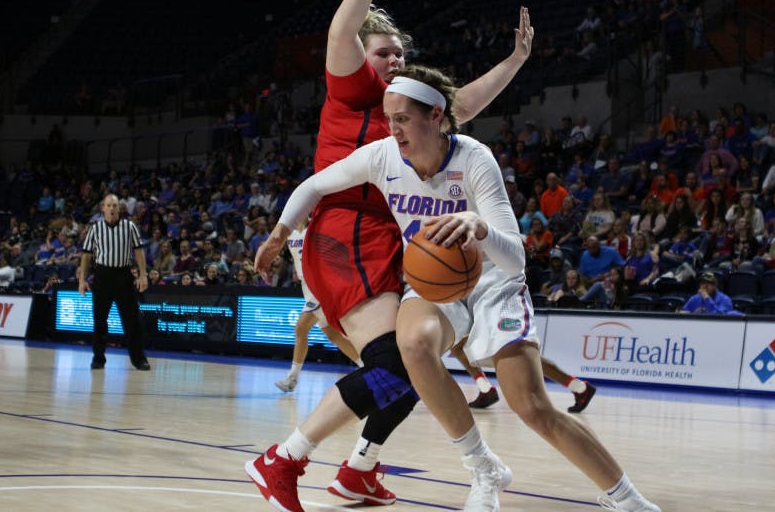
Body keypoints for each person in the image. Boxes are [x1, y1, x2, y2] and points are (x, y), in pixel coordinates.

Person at [256, 66, 659, 512]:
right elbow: (314, 184)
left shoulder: (474, 159)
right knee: (412, 346)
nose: (393, 129)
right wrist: (279, 234)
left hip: (493, 281)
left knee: (531, 406)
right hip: (434, 282)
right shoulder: (382, 156)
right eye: (389, 119)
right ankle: (483, 467)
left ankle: (627, 499)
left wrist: (478, 225)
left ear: (436, 116)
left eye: (403, 119)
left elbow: (516, 258)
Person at [246, 0, 538, 512]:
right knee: (395, 364)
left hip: (391, 240)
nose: (396, 61)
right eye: (385, 53)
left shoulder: (407, 113)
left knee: (413, 366)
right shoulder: (353, 89)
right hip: (345, 232)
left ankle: (359, 469)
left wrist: (514, 62)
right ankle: (283, 459)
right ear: (363, 57)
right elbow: (340, 32)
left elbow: (460, 105)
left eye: (402, 54)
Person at [275, 228, 360, 393]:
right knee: (333, 334)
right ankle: (368, 365)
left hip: (321, 284)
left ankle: (292, 378)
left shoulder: (315, 228)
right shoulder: (290, 231)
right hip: (306, 285)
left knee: (301, 328)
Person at [77, 194, 151, 371]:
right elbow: (86, 255)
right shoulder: (95, 229)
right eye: (108, 205)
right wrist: (82, 280)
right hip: (102, 275)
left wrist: (143, 275)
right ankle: (98, 358)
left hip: (123, 275)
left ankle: (138, 359)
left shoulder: (130, 226)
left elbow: (139, 252)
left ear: (119, 208)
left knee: (132, 320)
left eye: (114, 205)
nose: (111, 208)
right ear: (103, 208)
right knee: (99, 320)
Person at [449, 337, 597, 413]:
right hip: (494, 308)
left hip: (505, 309)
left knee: (521, 356)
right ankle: (485, 389)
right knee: (458, 345)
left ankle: (581, 388)